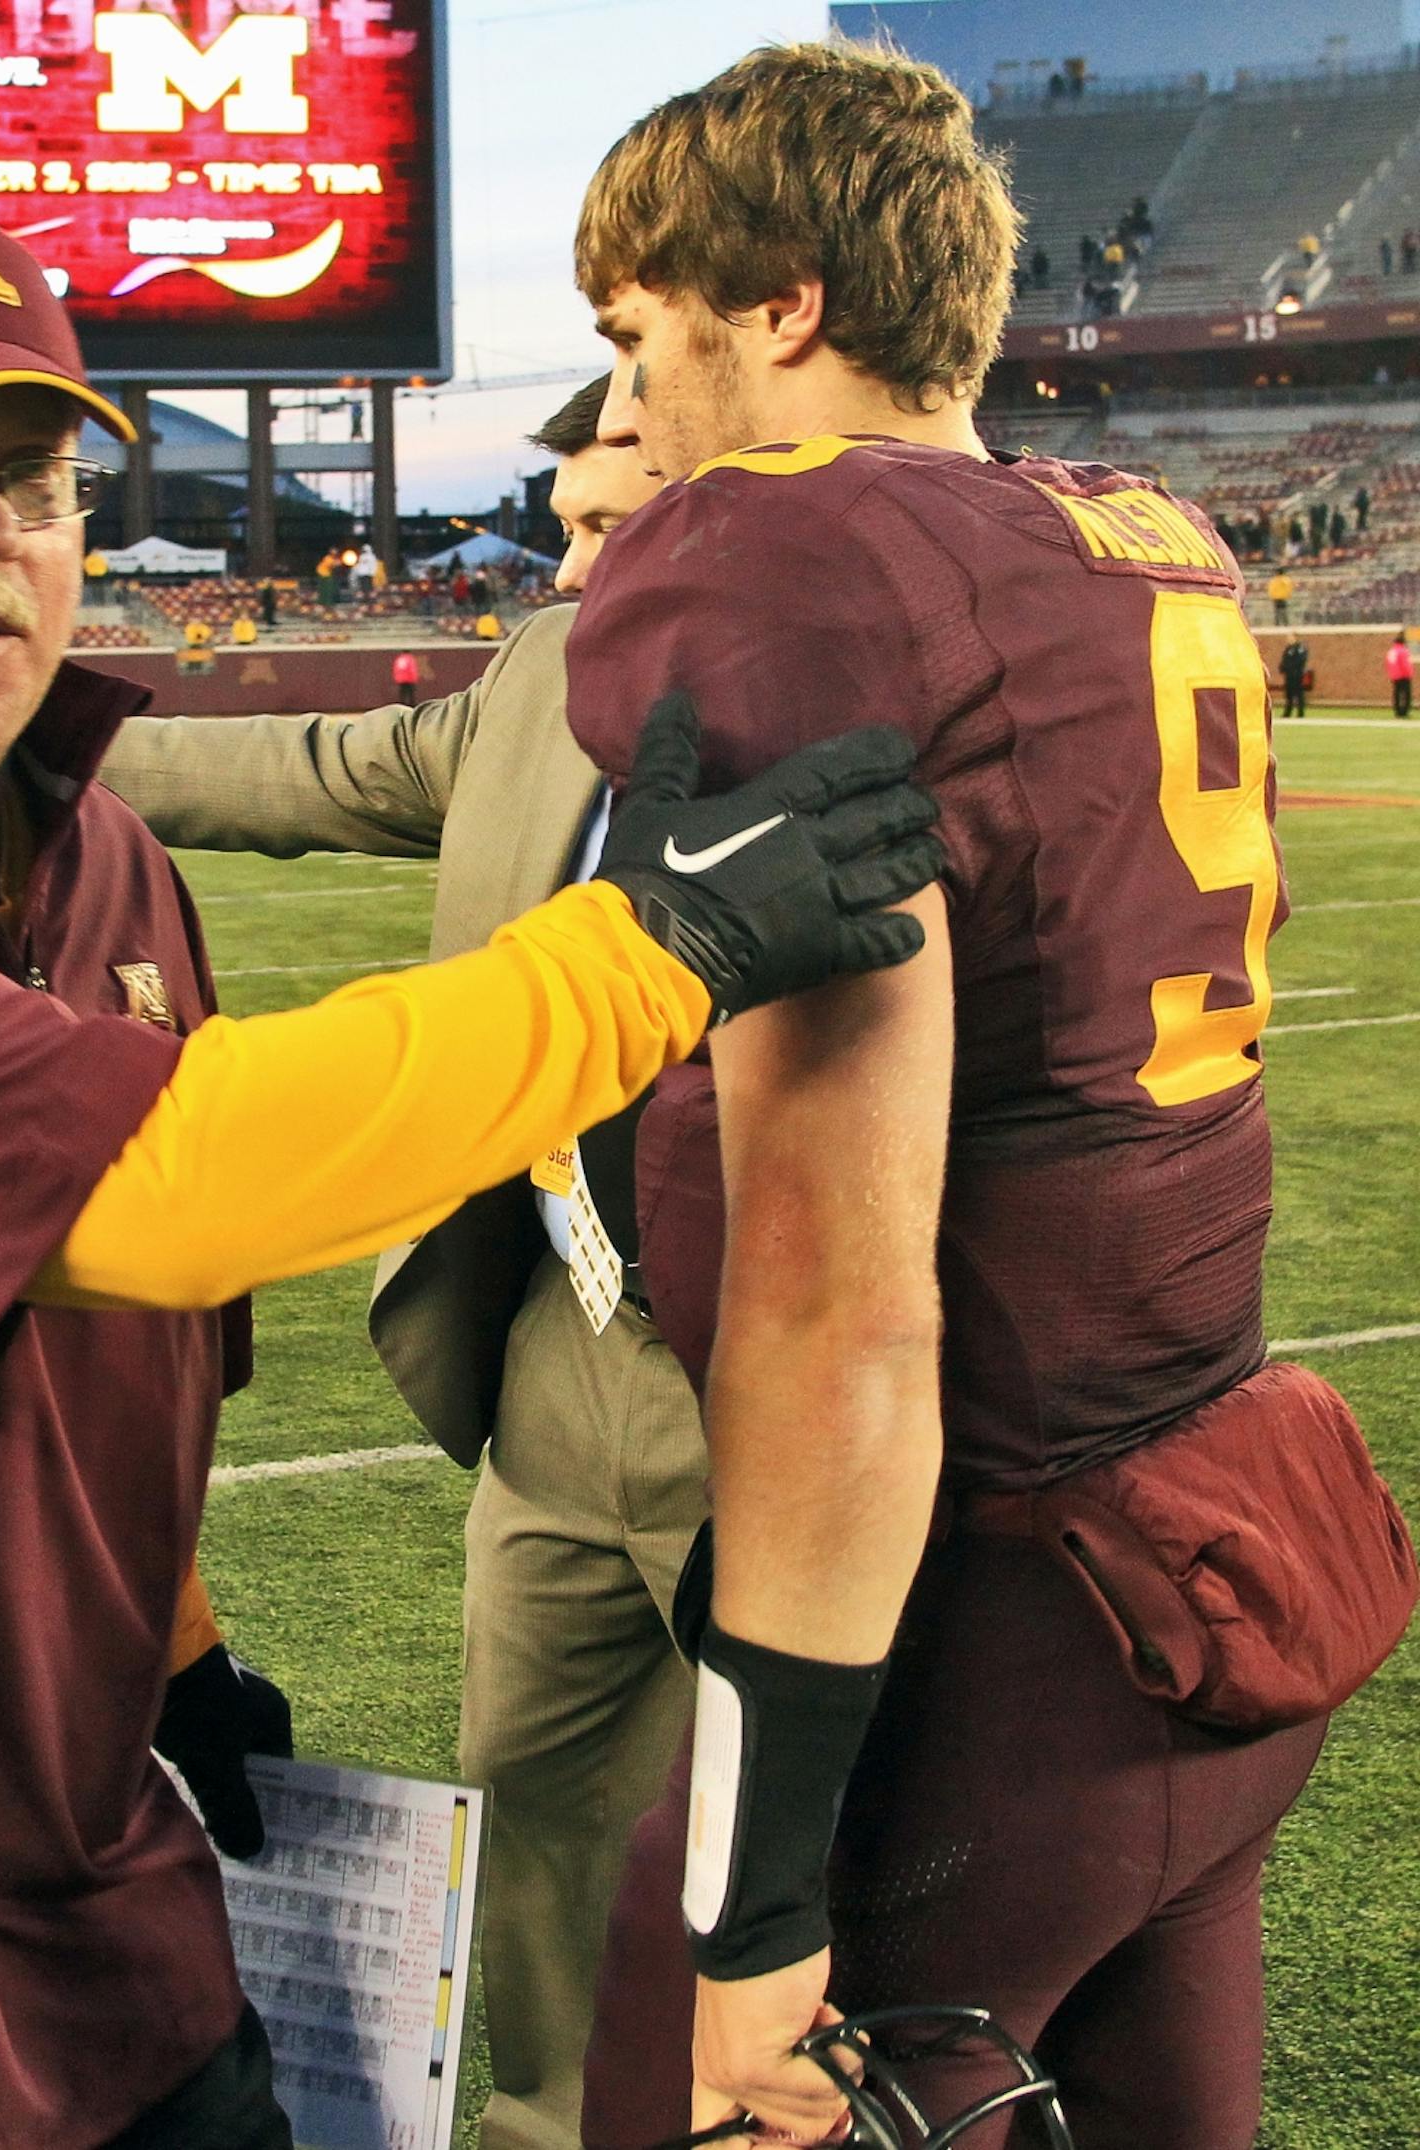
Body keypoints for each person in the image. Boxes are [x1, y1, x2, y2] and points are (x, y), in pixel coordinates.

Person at [0, 196, 947, 2150]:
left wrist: (191, 1670)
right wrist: (649, 952)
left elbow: (118, 1381)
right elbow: (166, 1183)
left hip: (93, 1921)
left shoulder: (102, 859)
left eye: (30, 483)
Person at [569, 43, 1411, 2150]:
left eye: (637, 334)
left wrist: (754, 1901)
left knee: (666, 2075)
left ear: (779, 309)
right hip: (1200, 1555)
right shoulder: (1138, 533)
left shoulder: (791, 555)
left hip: (986, 1601)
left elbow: (839, 1305)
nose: (624, 407)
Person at [104, 377, 694, 2150]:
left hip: (784, 1362)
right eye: (574, 524)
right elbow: (307, 769)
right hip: (555, 1337)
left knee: (823, 1855)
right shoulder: (539, 676)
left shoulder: (875, 669)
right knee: (542, 1815)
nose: (580, 568)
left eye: (623, 520)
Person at [1280, 634, 1310, 718]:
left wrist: (1291, 667)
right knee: (1289, 694)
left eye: (1290, 638)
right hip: (1289, 676)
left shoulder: (1300, 649)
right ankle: (1287, 712)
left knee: (1299, 694)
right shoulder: (1288, 649)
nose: (1288, 639)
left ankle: (1300, 713)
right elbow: (1284, 660)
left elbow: (1301, 660)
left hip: (1297, 675)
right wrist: (1283, 668)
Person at [1388, 627, 1413, 717]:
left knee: (1396, 694)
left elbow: (1389, 663)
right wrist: (1409, 674)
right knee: (1406, 694)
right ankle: (1405, 711)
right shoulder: (1403, 651)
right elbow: (1405, 664)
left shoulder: (1392, 651)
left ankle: (1397, 711)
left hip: (1395, 676)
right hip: (1404, 676)